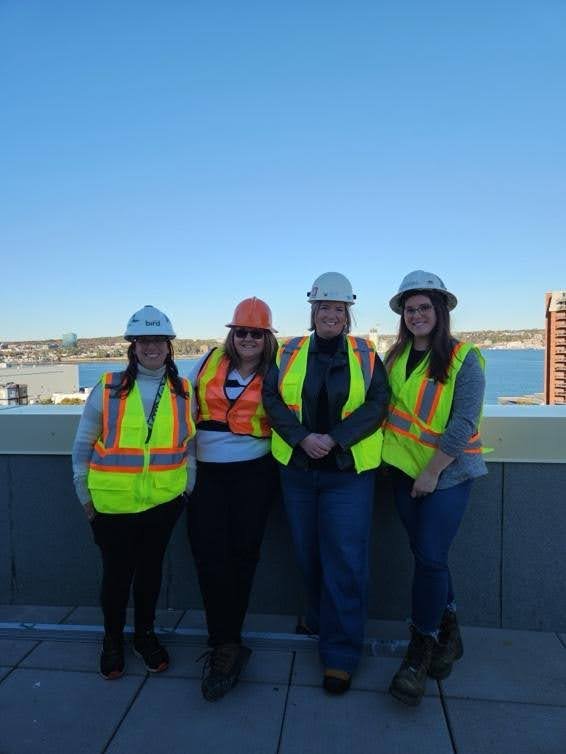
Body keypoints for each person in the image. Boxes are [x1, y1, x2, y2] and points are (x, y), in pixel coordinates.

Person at [262, 272, 389, 694]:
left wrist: (334, 439)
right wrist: (302, 439)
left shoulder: (366, 353)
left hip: (347, 474)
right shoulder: (289, 350)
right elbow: (272, 400)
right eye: (325, 308)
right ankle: (317, 618)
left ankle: (340, 654)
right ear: (312, 310)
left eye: (339, 309)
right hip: (298, 472)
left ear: (348, 314)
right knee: (307, 553)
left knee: (346, 561)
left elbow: (377, 405)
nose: (331, 315)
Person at [72, 305, 195, 680]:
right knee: (116, 577)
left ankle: (144, 635)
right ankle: (112, 640)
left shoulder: (183, 389)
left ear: (169, 346)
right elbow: (82, 447)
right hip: (112, 506)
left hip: (162, 503)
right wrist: (85, 498)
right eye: (144, 339)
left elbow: (189, 446)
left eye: (158, 339)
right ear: (133, 345)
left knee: (149, 576)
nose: (151, 346)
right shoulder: (107, 387)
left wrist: (185, 491)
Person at [383, 270, 488, 706]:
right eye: (410, 309)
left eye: (425, 307)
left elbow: (463, 422)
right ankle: (450, 630)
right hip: (399, 470)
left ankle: (420, 649)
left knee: (429, 559)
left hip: (447, 474)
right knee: (428, 556)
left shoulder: (465, 358)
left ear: (440, 312)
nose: (417, 315)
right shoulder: (393, 357)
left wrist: (432, 472)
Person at [187, 297, 279, 702]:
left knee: (243, 555)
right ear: (231, 334)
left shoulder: (278, 373)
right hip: (206, 475)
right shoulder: (207, 363)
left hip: (253, 475)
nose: (247, 339)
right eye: (241, 331)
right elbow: (180, 406)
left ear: (267, 338)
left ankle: (228, 643)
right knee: (209, 556)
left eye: (256, 333)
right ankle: (222, 639)